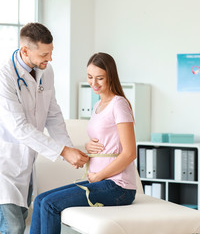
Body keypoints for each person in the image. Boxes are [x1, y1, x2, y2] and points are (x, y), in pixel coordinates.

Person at [0, 22, 92, 234]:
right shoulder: (2, 77)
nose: (49, 59)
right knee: (13, 228)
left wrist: (67, 149)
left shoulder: (45, 71)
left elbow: (53, 114)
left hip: (27, 160)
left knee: (23, 221)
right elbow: (19, 128)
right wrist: (62, 151)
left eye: (50, 53)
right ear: (25, 50)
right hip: (4, 162)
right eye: (44, 54)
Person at [30, 52, 137, 233]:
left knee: (50, 204)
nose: (94, 83)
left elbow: (130, 153)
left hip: (118, 186)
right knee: (40, 200)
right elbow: (107, 139)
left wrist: (99, 175)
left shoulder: (119, 104)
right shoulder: (97, 105)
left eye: (100, 78)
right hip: (99, 181)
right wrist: (89, 146)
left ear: (111, 76)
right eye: (89, 77)